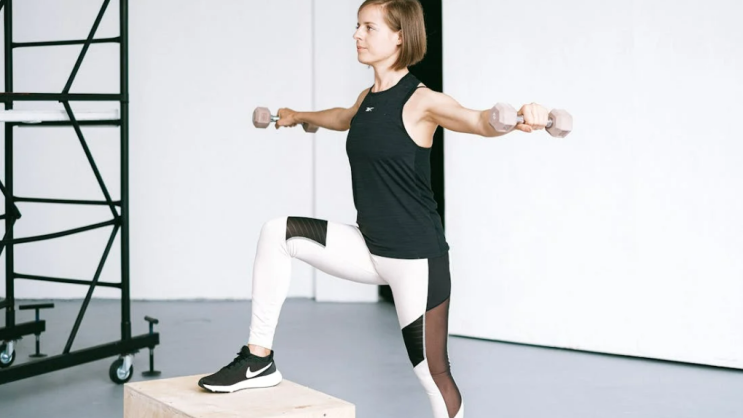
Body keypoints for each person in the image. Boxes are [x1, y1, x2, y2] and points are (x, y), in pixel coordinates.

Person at [198, 1, 550, 417]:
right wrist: (298, 116)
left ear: (399, 36)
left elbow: (476, 120)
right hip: (368, 247)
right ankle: (258, 361)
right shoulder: (368, 97)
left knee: (432, 374)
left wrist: (517, 117)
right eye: (357, 26)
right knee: (278, 232)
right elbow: (344, 117)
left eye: (369, 27)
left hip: (416, 262)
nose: (357, 35)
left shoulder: (422, 101)